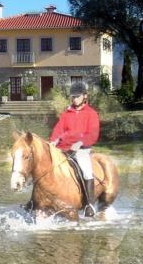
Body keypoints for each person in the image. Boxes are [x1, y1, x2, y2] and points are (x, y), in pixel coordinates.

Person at [49, 81, 100, 217]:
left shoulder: (92, 113)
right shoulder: (66, 113)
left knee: (86, 171)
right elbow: (59, 129)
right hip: (63, 148)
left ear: (85, 96)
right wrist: (54, 140)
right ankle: (37, 200)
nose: (74, 99)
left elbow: (93, 134)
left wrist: (81, 142)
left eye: (77, 96)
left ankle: (89, 204)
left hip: (81, 149)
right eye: (73, 97)